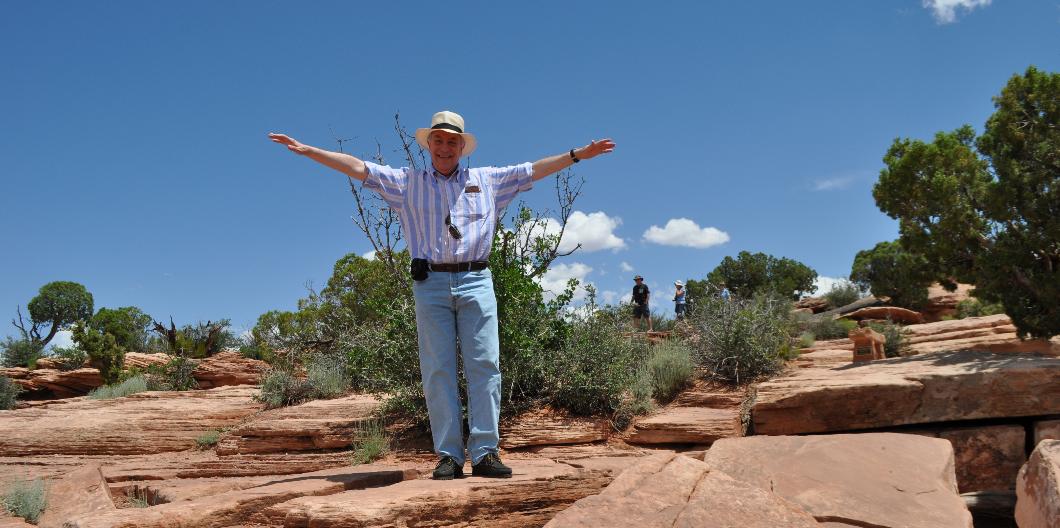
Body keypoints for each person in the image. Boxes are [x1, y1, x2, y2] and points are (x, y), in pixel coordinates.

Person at [269, 111, 614, 481]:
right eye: (439, 140)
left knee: (485, 367)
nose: (445, 147)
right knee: (438, 371)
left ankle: (485, 453)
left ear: (462, 147)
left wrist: (578, 155)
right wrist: (308, 151)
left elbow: (534, 170)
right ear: (429, 145)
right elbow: (358, 167)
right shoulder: (407, 183)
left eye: (452, 141)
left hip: (476, 279)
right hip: (430, 283)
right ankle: (448, 455)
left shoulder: (489, 180)